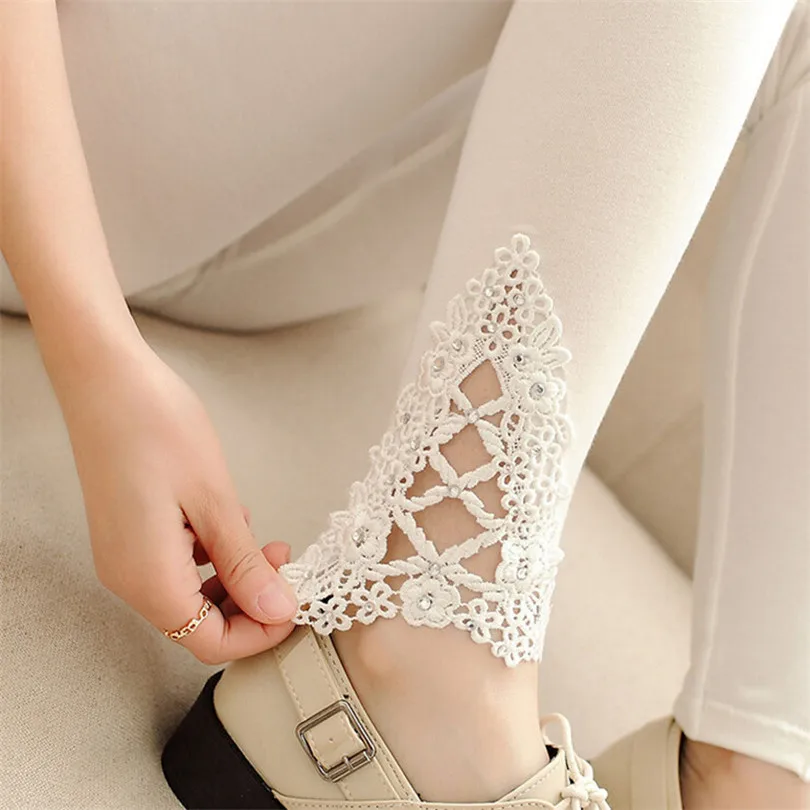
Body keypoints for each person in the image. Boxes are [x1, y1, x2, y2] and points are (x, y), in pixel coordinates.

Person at [1, 1, 807, 808]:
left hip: (299, 212)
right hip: (67, 135)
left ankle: (746, 771)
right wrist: (98, 367)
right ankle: (433, 633)